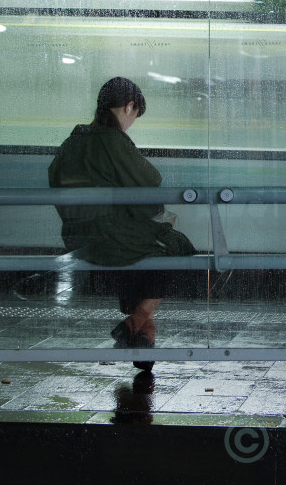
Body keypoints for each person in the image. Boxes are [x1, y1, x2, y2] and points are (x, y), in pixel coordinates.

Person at [48, 77, 196, 370]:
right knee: (177, 246)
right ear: (130, 107)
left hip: (77, 237)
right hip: (110, 236)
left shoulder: (74, 139)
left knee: (144, 252)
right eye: (135, 116)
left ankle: (144, 339)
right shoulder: (112, 140)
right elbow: (150, 182)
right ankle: (135, 322)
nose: (131, 124)